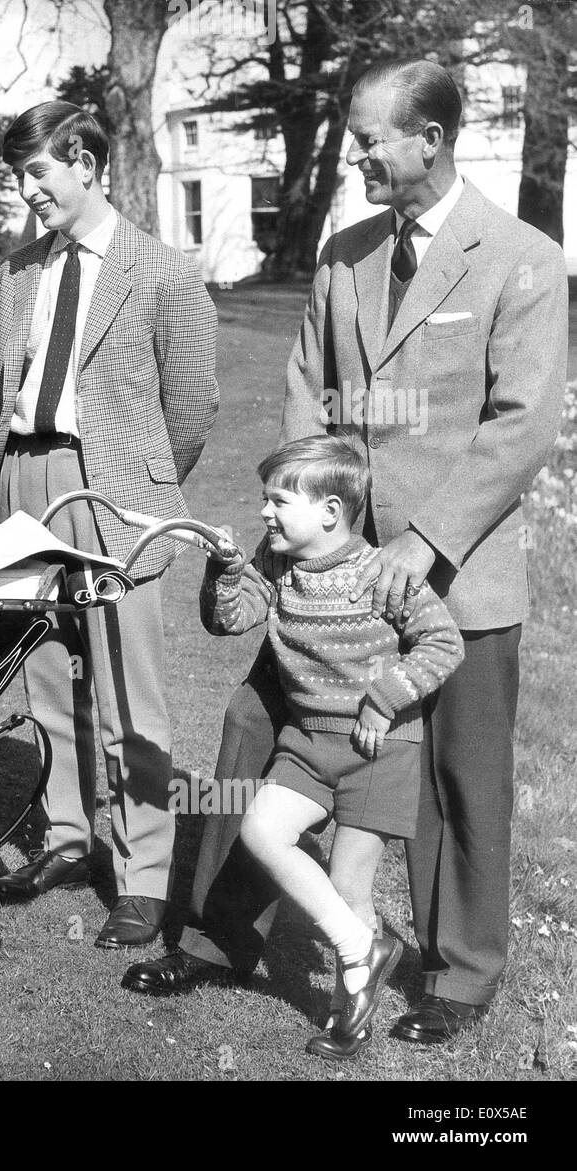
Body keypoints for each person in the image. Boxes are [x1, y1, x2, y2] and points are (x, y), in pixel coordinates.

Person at [124, 60, 568, 1046]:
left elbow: (519, 425)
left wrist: (423, 542)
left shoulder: (521, 258)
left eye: (370, 140)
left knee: (457, 777)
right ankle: (214, 935)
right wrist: (305, 522)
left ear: (431, 140)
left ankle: (459, 972)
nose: (355, 156)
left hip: (456, 576)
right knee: (253, 727)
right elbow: (304, 388)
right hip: (326, 570)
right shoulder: (343, 252)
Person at [0, 101, 219, 948]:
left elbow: (192, 404)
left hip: (111, 490)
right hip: (27, 479)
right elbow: (7, 388)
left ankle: (144, 874)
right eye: (17, 177)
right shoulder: (16, 271)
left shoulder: (162, 272)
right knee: (48, 676)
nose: (26, 191)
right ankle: (69, 836)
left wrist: (141, 489)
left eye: (37, 173)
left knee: (128, 692)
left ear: (85, 162)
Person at [203, 435, 462, 1058]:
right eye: (265, 500)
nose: (264, 513)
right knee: (262, 831)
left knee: (350, 884)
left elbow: (443, 643)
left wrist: (385, 695)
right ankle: (360, 948)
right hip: (307, 744)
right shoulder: (275, 564)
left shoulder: (380, 572)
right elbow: (229, 620)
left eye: (278, 501)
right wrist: (224, 570)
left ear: (330, 512)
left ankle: (351, 1014)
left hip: (379, 749)